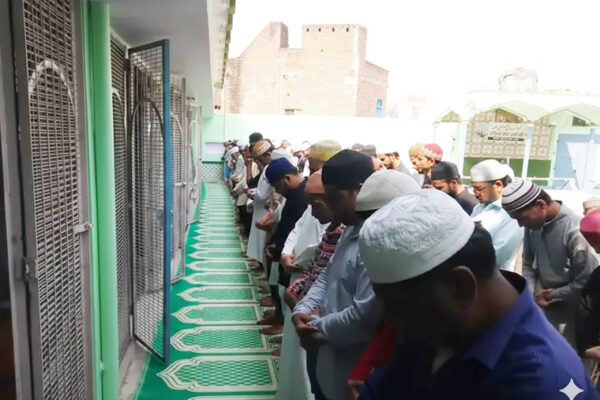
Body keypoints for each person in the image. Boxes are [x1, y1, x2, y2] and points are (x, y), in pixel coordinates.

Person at [357, 189, 599, 400]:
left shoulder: (542, 382)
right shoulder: (437, 328)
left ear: (461, 286)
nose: (393, 319)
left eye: (399, 306)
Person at [292, 150, 383, 400]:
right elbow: (327, 274)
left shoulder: (377, 239)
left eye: (335, 199)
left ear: (361, 189)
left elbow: (363, 317)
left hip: (355, 371)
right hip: (330, 358)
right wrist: (303, 308)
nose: (331, 207)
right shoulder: (350, 228)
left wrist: (314, 326)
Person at [502, 178, 597, 346]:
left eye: (521, 217)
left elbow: (585, 281)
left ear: (541, 204)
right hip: (542, 304)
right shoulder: (533, 225)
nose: (520, 224)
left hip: (570, 311)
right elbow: (528, 264)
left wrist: (552, 295)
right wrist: (532, 293)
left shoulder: (574, 229)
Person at [277, 170, 342, 400]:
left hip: (322, 316)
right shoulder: (329, 225)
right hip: (304, 294)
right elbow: (298, 230)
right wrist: (286, 254)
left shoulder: (346, 232)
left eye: (317, 204)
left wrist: (317, 319)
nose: (313, 211)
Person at [470, 159, 523, 272]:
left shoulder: (511, 212)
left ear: (498, 185)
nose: (475, 194)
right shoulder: (479, 207)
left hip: (499, 274)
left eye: (479, 189)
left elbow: (500, 254)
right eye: (473, 189)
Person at [246, 140, 274, 267]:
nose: (259, 163)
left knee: (263, 237)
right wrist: (253, 192)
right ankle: (260, 261)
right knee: (259, 236)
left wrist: (252, 194)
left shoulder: (269, 169)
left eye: (260, 160)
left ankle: (262, 263)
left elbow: (262, 194)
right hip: (261, 207)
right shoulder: (267, 168)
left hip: (265, 209)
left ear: (267, 155)